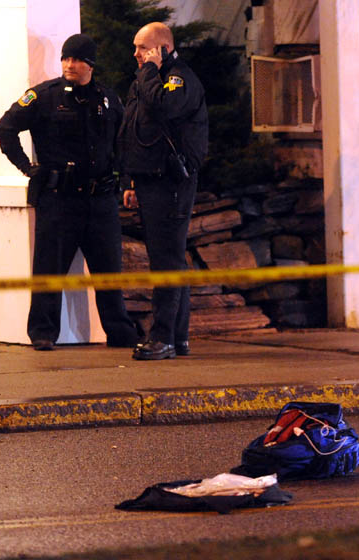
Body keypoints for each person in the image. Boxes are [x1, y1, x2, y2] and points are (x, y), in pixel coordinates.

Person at [0, 34, 139, 351]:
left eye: (76, 59)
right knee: (49, 269)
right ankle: (44, 333)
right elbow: (5, 129)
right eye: (65, 58)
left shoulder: (107, 99)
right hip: (59, 198)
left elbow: (124, 144)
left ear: (91, 64)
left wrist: (127, 181)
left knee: (108, 271)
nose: (69, 65)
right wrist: (28, 167)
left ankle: (120, 332)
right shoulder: (44, 96)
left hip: (100, 199)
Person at [119, 22, 208, 360]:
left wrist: (151, 72)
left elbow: (164, 107)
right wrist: (130, 180)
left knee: (167, 261)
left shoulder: (178, 78)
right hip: (149, 179)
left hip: (171, 183)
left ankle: (163, 338)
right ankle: (177, 338)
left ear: (163, 49)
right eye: (137, 47)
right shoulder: (148, 79)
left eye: (143, 48)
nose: (137, 54)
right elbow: (131, 129)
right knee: (167, 259)